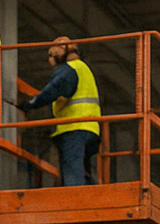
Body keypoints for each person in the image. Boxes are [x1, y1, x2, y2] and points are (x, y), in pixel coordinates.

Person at [17, 36, 100, 186]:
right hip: (91, 129)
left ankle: (75, 206)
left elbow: (53, 89)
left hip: (74, 128)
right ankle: (90, 203)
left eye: (52, 54)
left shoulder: (68, 69)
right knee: (86, 172)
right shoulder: (83, 69)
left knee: (72, 174)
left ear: (63, 50)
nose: (51, 58)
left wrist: (31, 103)